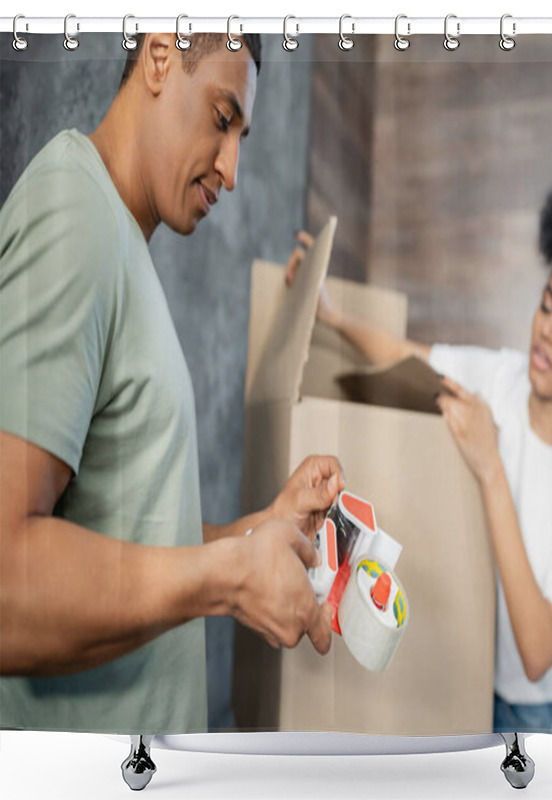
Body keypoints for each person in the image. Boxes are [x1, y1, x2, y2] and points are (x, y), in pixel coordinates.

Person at [0, 32, 341, 734]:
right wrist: (228, 579)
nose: (233, 168)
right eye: (223, 119)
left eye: (242, 135)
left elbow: (125, 529)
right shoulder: (74, 214)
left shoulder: (119, 239)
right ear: (159, 58)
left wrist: (256, 534)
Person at [286, 169, 552, 734]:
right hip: (459, 678)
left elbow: (537, 651)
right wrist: (330, 314)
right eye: (546, 305)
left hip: (523, 716)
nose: (545, 330)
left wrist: (490, 466)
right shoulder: (502, 377)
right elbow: (407, 355)